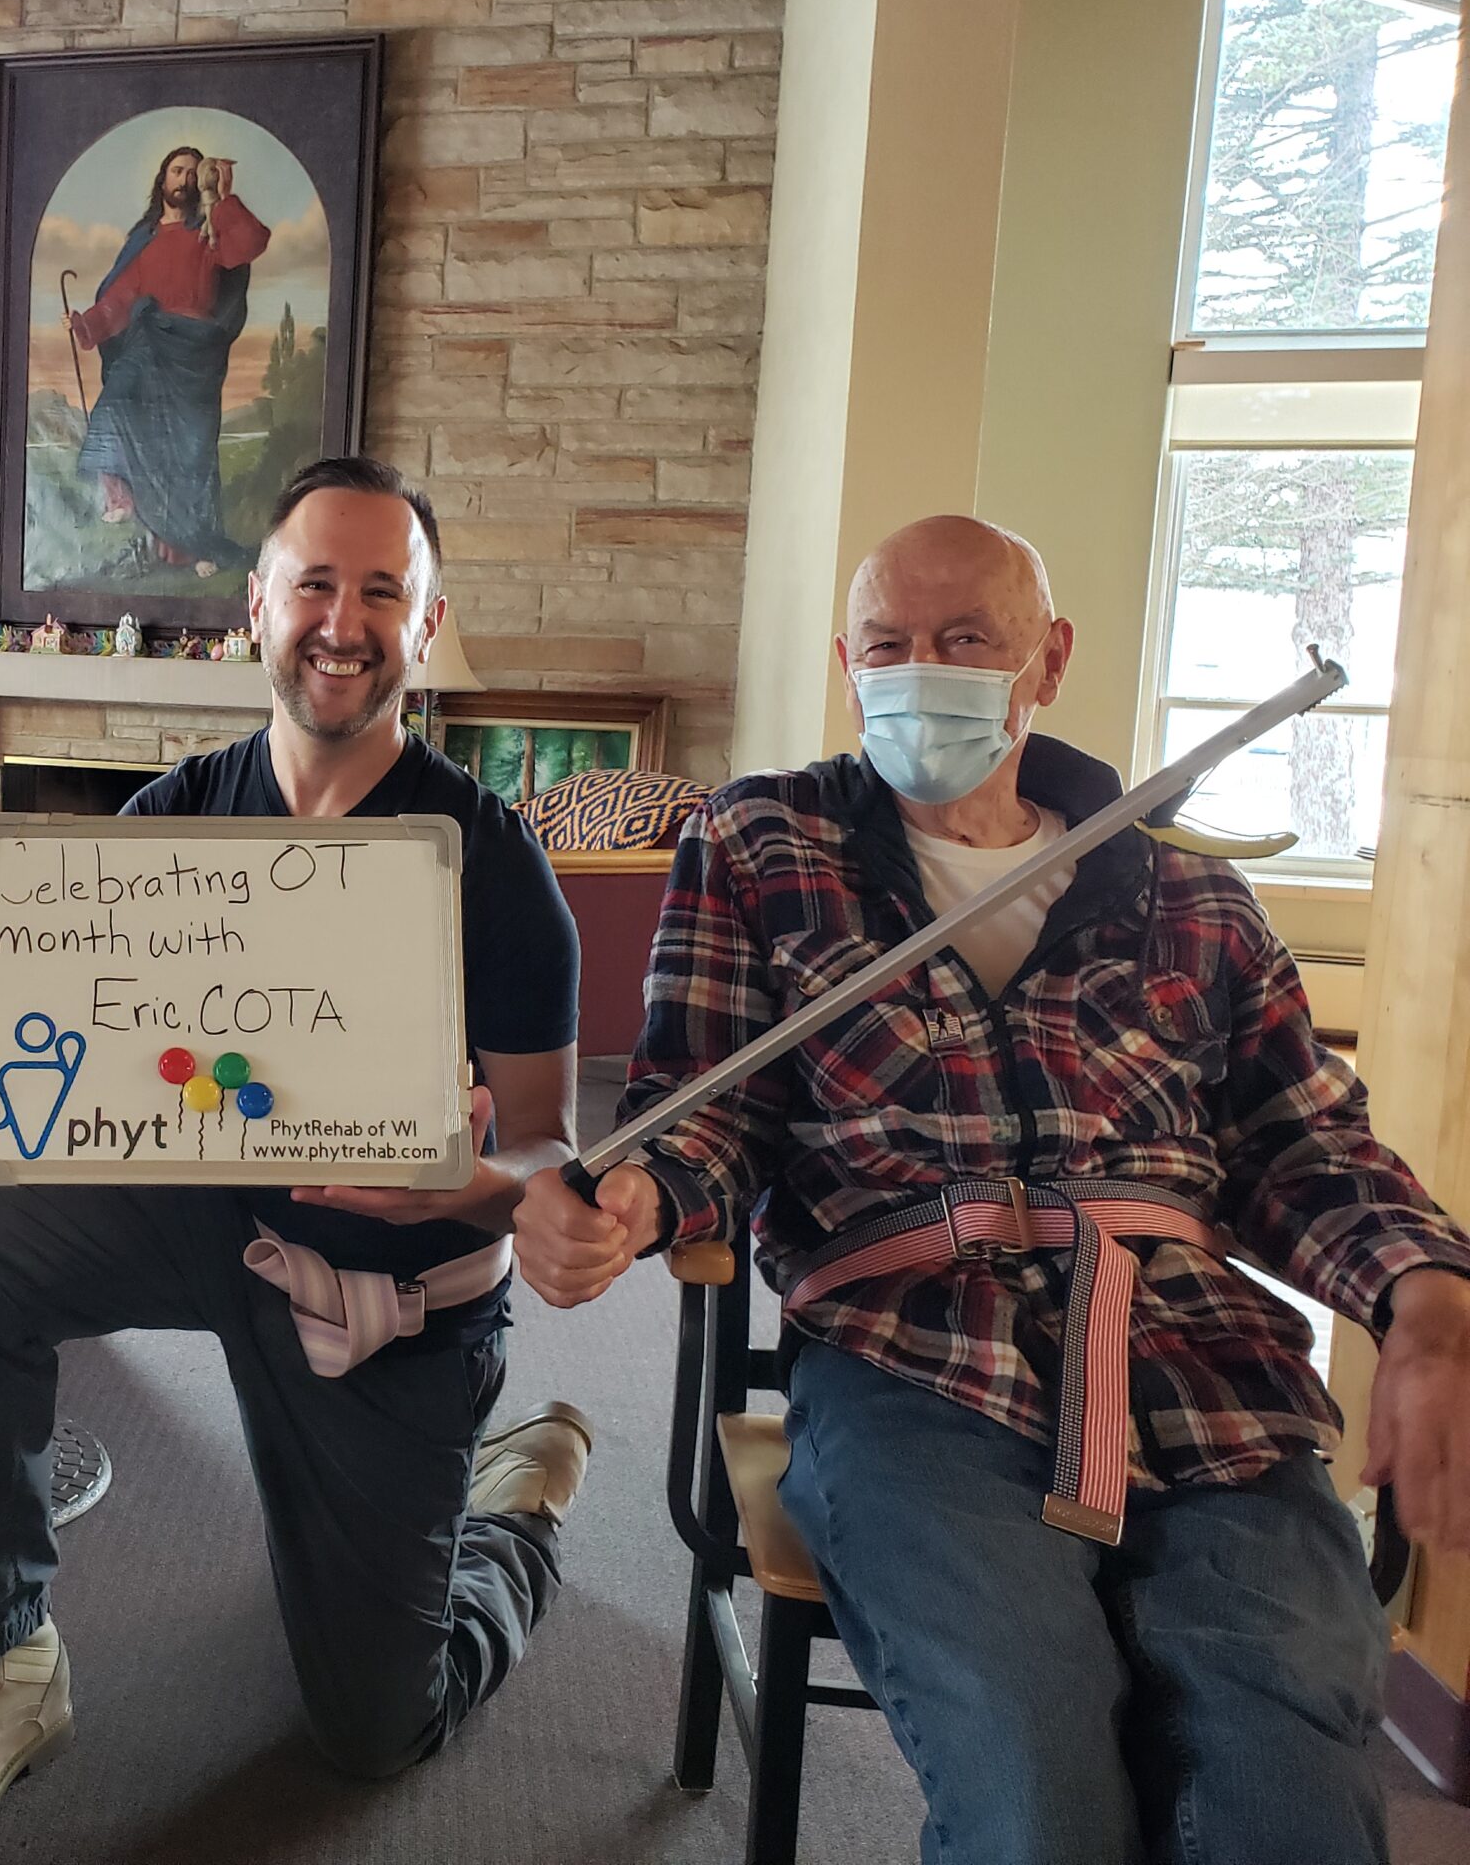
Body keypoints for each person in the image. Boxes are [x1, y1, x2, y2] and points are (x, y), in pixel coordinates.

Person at [515, 514, 1470, 1865]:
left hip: (1205, 1376)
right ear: (849, 666)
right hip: (912, 1363)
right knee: (1033, 1777)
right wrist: (636, 1206)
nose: (924, 673)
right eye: (891, 646)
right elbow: (708, 1114)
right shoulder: (765, 845)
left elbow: (1307, 1151)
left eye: (967, 640)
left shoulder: (1197, 900)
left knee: (1287, 1790)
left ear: (1048, 660)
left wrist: (1427, 1313)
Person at [0, 457, 592, 1857]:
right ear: (258, 604)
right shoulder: (169, 822)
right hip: (198, 1225)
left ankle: (516, 1512)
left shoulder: (496, 868)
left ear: (426, 626)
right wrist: (11, 1094)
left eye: (385, 591)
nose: (343, 619)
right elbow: (89, 1091)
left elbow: (549, 1145)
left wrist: (474, 1185)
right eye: (315, 582)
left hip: (390, 1289)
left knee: (376, 1732)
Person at [68, 144, 271, 578]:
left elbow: (250, 244)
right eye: (177, 171)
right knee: (117, 400)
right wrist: (87, 325)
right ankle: (118, 493)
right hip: (150, 338)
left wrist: (226, 198)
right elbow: (120, 298)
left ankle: (201, 546)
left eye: (194, 173)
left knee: (193, 454)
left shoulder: (209, 233)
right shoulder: (146, 240)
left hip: (196, 350)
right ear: (163, 179)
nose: (185, 180)